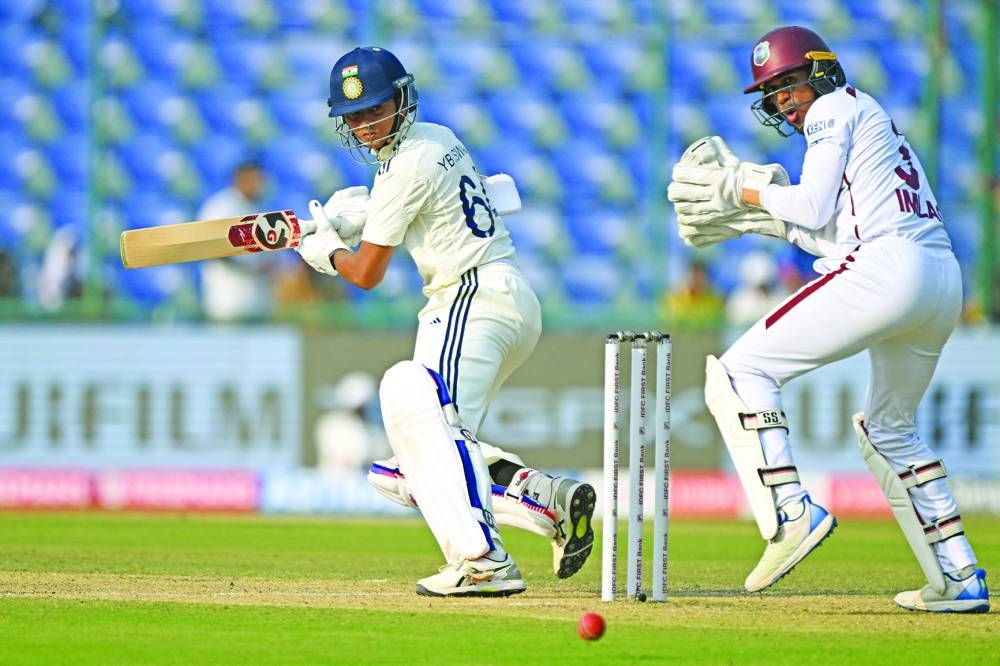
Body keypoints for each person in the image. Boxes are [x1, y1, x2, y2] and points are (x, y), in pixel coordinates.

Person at [667, 26, 989, 613]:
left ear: (820, 71)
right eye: (773, 92)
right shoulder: (870, 119)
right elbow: (828, 227)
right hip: (939, 277)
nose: (784, 100)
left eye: (789, 83)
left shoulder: (832, 110)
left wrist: (740, 189)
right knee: (889, 429)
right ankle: (957, 575)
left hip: (887, 269)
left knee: (738, 373)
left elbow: (813, 208)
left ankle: (791, 512)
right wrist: (759, 215)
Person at [295, 46, 596, 596]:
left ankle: (482, 561)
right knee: (403, 468)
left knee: (416, 412)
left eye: (375, 109)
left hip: (468, 297)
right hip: (505, 295)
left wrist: (326, 251)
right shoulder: (436, 138)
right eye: (353, 117)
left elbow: (365, 273)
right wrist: (359, 211)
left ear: (402, 99)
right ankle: (543, 496)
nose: (364, 125)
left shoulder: (404, 165)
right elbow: (430, 202)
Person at [196, 160, 284, 322]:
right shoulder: (220, 208)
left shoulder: (262, 207)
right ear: (239, 180)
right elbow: (212, 247)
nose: (257, 185)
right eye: (252, 179)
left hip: (259, 300)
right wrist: (250, 268)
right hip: (228, 299)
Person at [658, 259, 725, 331]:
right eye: (694, 277)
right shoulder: (672, 299)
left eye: (700, 278)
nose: (696, 282)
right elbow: (665, 326)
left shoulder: (714, 301)